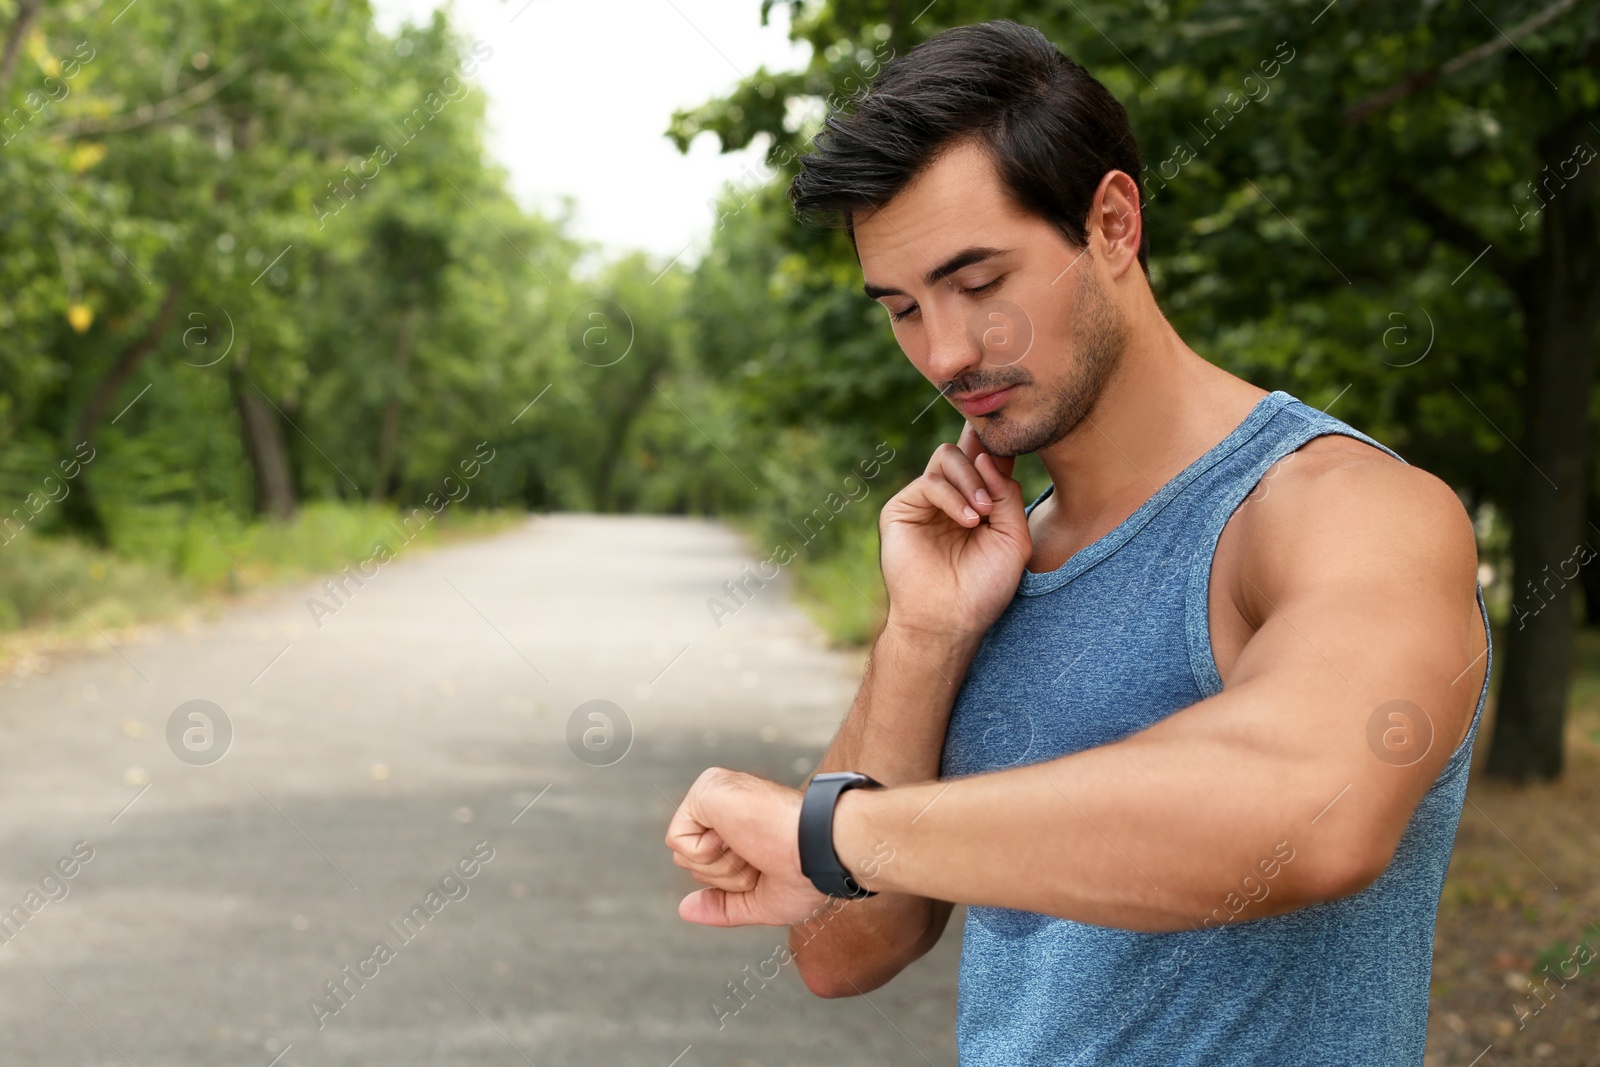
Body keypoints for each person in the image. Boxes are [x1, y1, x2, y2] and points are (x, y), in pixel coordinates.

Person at [664, 18, 1491, 1066]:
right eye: (903, 308)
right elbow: (845, 948)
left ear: (1110, 222)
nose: (946, 351)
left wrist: (835, 832)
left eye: (978, 283)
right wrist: (922, 634)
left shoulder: (1342, 507)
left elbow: (1313, 804)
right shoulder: (985, 561)